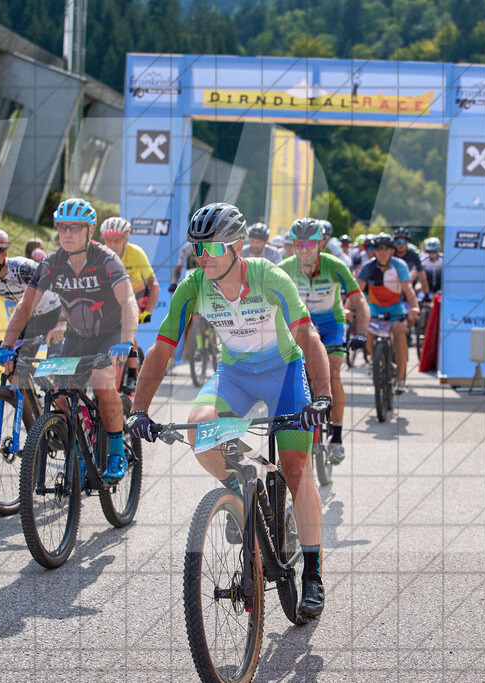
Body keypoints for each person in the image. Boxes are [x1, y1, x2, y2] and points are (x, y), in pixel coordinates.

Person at [129, 202, 332, 618]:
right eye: (197, 248)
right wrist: (139, 410)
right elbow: (162, 348)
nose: (203, 257)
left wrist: (323, 396)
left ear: (238, 246)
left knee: (296, 469)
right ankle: (241, 494)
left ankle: (312, 572)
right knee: (198, 432)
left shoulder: (268, 276)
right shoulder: (194, 286)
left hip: (284, 372)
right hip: (235, 375)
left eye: (213, 247)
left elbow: (306, 332)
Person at [0, 198, 138, 484]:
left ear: (90, 230)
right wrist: (6, 346)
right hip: (77, 336)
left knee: (101, 379)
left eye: (74, 228)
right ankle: (80, 449)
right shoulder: (51, 264)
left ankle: (114, 450)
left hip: (109, 334)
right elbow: (25, 307)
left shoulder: (106, 259)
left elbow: (129, 301)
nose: (67, 234)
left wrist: (126, 341)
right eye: (62, 228)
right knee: (60, 396)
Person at [280, 217, 370, 465]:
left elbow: (359, 300)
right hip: (301, 326)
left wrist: (361, 331)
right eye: (298, 244)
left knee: (330, 371)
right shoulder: (285, 267)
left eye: (310, 244)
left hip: (331, 325)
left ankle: (337, 437)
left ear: (321, 244)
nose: (304, 250)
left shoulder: (335, 265)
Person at [0, 228, 65, 357]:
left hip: (55, 312)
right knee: (14, 365)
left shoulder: (24, 268)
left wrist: (62, 322)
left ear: (3, 254)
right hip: (30, 317)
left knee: (55, 367)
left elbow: (64, 290)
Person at [100, 216, 160, 393]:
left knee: (127, 328)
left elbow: (154, 286)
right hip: (116, 297)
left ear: (126, 239)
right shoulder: (101, 255)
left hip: (138, 295)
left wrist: (147, 311)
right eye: (108, 240)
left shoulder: (136, 253)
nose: (112, 245)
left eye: (117, 240)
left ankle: (133, 373)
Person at [357, 233, 419, 393]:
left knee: (400, 335)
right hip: (375, 308)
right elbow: (357, 291)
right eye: (378, 249)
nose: (382, 252)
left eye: (385, 249)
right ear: (374, 251)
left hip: (395, 308)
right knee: (367, 332)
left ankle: (400, 380)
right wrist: (348, 308)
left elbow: (408, 288)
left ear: (392, 251)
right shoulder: (368, 267)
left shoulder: (400, 266)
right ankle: (373, 359)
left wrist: (414, 307)